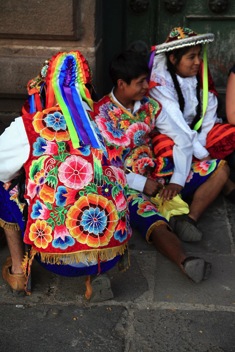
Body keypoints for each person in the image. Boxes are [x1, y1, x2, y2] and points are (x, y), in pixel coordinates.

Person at [0, 50, 132, 301]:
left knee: (4, 185)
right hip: (111, 252)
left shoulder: (32, 125)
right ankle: (95, 276)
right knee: (97, 187)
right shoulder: (104, 120)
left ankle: (19, 272)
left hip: (58, 258)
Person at [92, 49, 230, 284]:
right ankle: (185, 261)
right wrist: (140, 183)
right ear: (121, 84)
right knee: (155, 224)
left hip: (161, 176)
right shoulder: (98, 115)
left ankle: (189, 219)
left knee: (220, 168)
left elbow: (183, 140)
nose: (148, 86)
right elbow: (101, 165)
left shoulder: (149, 107)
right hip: (129, 187)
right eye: (141, 82)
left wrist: (177, 179)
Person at [148, 26, 235, 203]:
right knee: (165, 146)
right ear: (173, 59)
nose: (197, 62)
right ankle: (217, 180)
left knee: (228, 133)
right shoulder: (161, 83)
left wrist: (201, 146)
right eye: (191, 57)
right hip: (172, 133)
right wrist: (204, 156)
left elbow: (208, 118)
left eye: (198, 55)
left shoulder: (200, 76)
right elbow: (177, 125)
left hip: (198, 137)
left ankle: (207, 174)